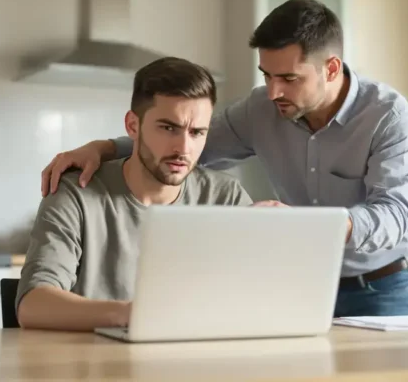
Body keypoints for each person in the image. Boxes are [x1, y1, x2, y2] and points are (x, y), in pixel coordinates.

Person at [39, 0, 408, 317]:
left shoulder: (387, 117)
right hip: (307, 285)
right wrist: (103, 148)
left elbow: (394, 214)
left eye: (289, 78)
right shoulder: (261, 108)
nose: (273, 91)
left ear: (330, 68)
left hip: (383, 284)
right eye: (267, 75)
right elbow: (188, 149)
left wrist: (309, 225)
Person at [16, 57, 253, 331]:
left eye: (197, 132)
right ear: (132, 126)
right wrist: (137, 314)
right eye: (168, 128)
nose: (184, 148)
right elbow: (33, 305)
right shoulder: (77, 193)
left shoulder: (227, 198)